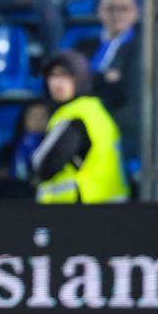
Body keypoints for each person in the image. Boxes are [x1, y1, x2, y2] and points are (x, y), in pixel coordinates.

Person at [32, 50, 129, 204]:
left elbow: (44, 166)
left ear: (80, 79)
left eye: (64, 76)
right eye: (52, 76)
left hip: (82, 208)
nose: (56, 83)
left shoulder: (74, 115)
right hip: (109, 204)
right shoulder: (95, 109)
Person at [72, 0, 141, 161]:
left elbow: (130, 95)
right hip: (82, 122)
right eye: (110, 8)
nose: (116, 14)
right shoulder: (83, 46)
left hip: (121, 126)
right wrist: (105, 79)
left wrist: (92, 79)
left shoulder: (143, 48)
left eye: (124, 9)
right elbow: (71, 85)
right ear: (99, 11)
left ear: (136, 12)